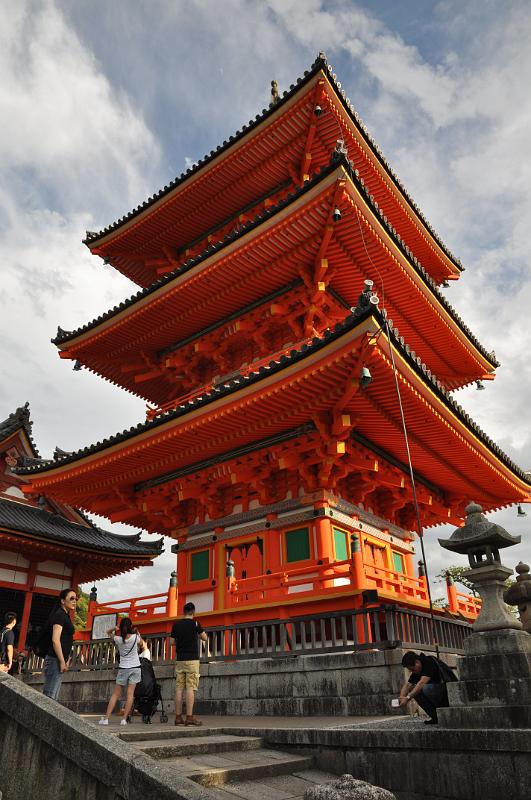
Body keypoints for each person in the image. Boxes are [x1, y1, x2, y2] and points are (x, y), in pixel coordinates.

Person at [99, 617, 141, 726]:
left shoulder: (118, 639)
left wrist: (115, 627)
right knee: (130, 694)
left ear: (121, 628)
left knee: (116, 694)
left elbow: (108, 632)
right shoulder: (136, 637)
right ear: (130, 626)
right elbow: (141, 645)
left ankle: (106, 719)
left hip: (123, 668)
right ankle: (124, 719)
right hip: (136, 667)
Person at [171, 602, 207, 726]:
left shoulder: (176, 624)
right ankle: (190, 717)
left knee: (179, 688)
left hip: (180, 659)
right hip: (192, 659)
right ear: (193, 612)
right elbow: (204, 637)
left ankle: (177, 717)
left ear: (183, 611)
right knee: (190, 687)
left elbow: (171, 642)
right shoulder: (195, 623)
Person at [43, 588, 77, 701]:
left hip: (58, 660)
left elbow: (65, 639)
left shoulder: (65, 615)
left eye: (76, 598)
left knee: (53, 698)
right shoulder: (59, 615)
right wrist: (62, 660)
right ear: (63, 601)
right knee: (49, 698)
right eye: (71, 598)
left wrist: (66, 658)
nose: (74, 601)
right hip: (54, 660)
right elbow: (55, 640)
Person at [399, 650, 449, 724]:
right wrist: (402, 697)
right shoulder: (418, 669)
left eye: (412, 669)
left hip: (446, 690)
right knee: (415, 692)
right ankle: (436, 717)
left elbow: (422, 682)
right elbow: (408, 685)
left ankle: (444, 712)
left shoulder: (428, 662)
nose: (412, 671)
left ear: (417, 662)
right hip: (436, 691)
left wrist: (408, 698)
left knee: (425, 688)